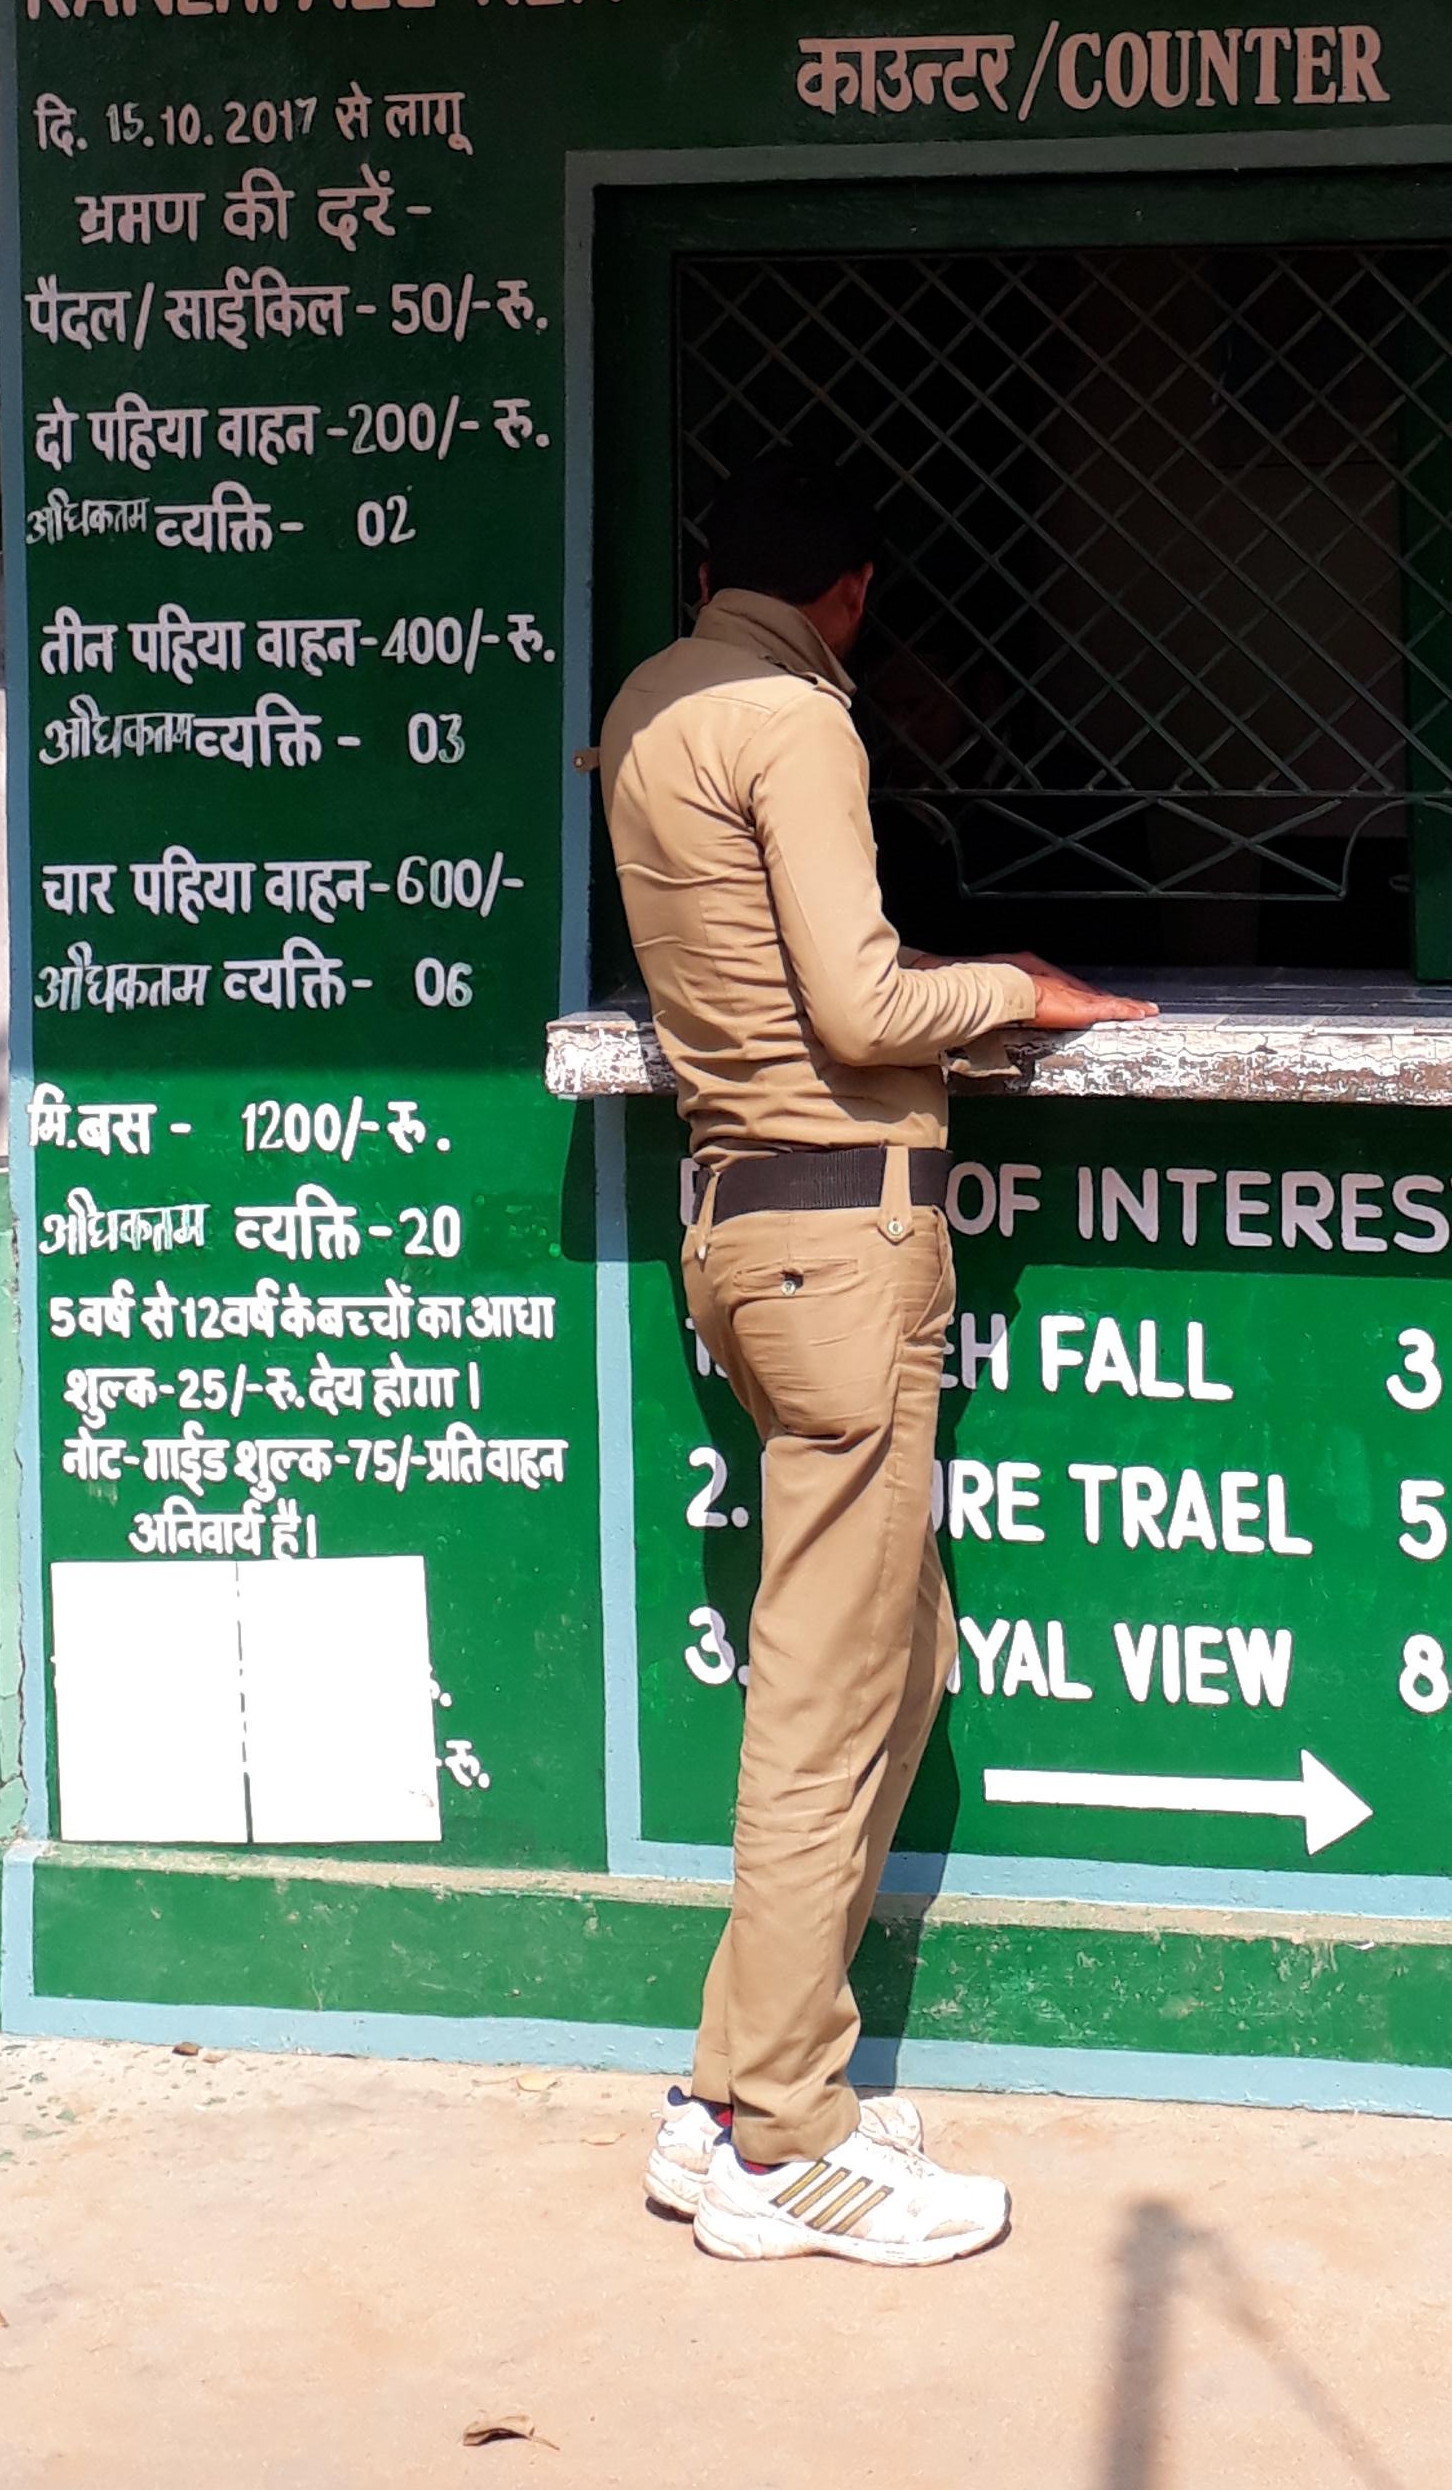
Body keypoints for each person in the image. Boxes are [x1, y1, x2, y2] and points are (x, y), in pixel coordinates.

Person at [597, 447, 1152, 2265]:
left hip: (748, 1228)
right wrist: (1020, 986)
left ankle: (723, 2093)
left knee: (891, 1661)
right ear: (850, 594)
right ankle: (788, 2148)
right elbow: (859, 1000)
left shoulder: (656, 702)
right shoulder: (793, 720)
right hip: (847, 1239)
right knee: (830, 1699)